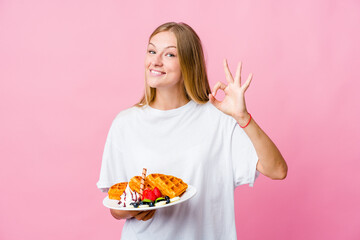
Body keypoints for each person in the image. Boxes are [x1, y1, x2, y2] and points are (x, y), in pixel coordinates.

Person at [97, 22, 287, 239]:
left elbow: (277, 170)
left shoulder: (218, 118)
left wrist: (243, 118)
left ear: (188, 63)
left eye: (169, 55)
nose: (155, 61)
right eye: (151, 51)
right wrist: (135, 209)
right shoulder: (125, 123)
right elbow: (116, 207)